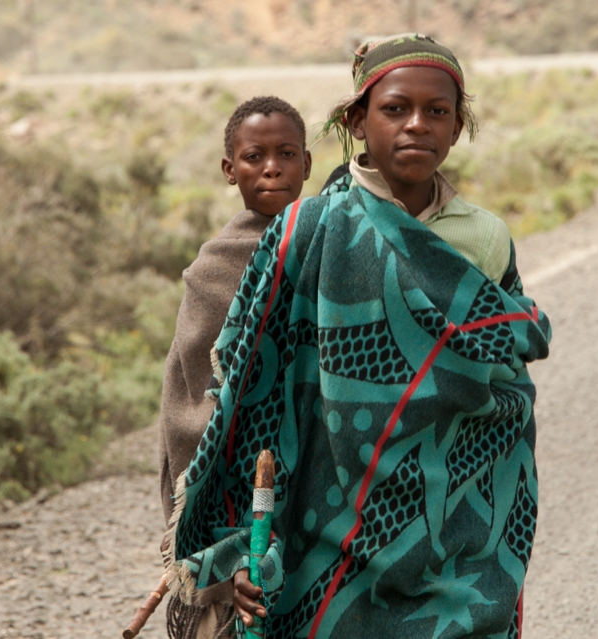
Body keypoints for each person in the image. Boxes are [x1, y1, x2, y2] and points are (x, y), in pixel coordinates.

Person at [164, 34, 551, 639]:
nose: (417, 125)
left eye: (438, 112)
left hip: (457, 526)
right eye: (395, 109)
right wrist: (238, 547)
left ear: (458, 127)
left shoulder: (485, 238)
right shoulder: (310, 231)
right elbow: (252, 396)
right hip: (324, 525)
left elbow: (504, 387)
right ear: (357, 121)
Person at [158, 95, 312, 639]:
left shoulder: (324, 244)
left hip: (314, 481)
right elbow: (190, 403)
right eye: (254, 156)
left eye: (286, 153)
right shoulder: (215, 266)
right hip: (241, 493)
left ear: (306, 165)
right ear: (230, 169)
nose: (271, 167)